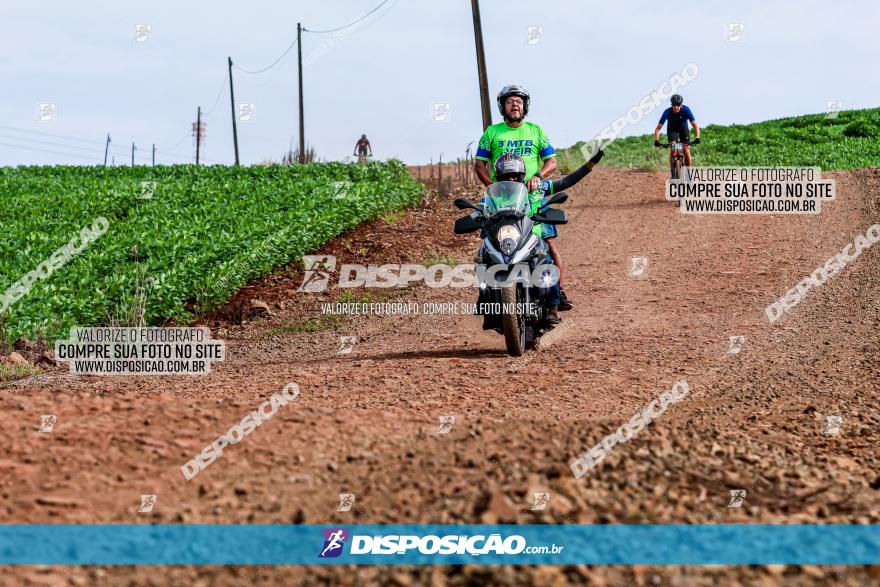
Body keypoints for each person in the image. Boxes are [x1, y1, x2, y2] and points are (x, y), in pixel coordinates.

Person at [474, 85, 575, 308]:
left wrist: (539, 175)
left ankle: (558, 294)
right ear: (502, 106)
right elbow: (479, 165)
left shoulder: (536, 130)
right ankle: (486, 294)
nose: (515, 104)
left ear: (525, 105)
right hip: (502, 199)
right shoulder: (492, 132)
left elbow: (552, 161)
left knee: (546, 245)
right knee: (490, 244)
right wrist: (493, 187)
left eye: (519, 101)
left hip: (533, 197)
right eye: (510, 101)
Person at [485, 150, 605, 323]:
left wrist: (591, 163)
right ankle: (487, 304)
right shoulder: (494, 195)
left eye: (514, 175)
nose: (510, 179)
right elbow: (482, 209)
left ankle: (553, 306)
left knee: (546, 264)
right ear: (498, 178)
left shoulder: (537, 187)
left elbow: (567, 181)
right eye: (506, 176)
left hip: (532, 235)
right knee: (484, 260)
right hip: (507, 239)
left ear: (521, 174)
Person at [653, 94, 701, 166]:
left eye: (678, 105)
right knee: (673, 148)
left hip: (683, 128)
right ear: (671, 105)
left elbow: (695, 125)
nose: (676, 107)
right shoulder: (667, 112)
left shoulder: (686, 110)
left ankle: (688, 172)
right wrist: (656, 140)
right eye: (674, 105)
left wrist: (697, 137)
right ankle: (673, 172)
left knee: (686, 149)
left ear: (681, 105)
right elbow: (658, 128)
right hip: (672, 129)